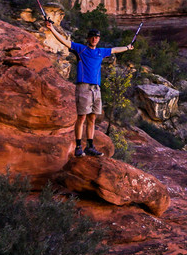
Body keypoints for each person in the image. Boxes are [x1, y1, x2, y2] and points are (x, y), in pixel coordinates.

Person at [49, 24, 134, 157]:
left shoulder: (101, 51)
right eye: (93, 37)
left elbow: (115, 50)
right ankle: (78, 147)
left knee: (92, 118)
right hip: (83, 87)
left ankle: (90, 146)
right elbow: (64, 41)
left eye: (97, 37)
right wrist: (51, 29)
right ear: (88, 39)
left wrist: (128, 47)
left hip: (96, 89)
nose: (95, 39)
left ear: (99, 39)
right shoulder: (81, 49)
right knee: (82, 117)